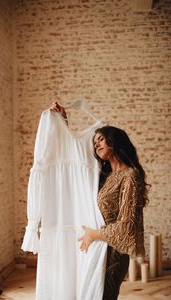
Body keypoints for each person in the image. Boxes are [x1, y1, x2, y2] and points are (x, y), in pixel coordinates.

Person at [50, 102, 149, 300]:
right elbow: (76, 160)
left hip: (113, 252)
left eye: (101, 139)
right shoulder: (104, 176)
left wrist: (94, 234)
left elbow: (126, 227)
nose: (96, 145)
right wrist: (63, 121)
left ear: (115, 141)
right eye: (95, 143)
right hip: (97, 246)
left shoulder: (130, 176)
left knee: (103, 296)